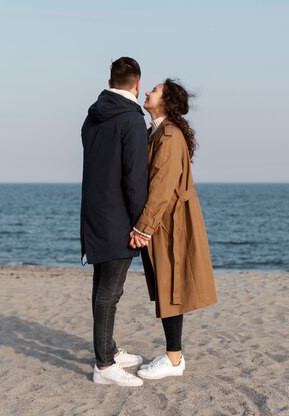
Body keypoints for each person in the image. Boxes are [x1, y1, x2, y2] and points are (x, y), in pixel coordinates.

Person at [129, 79, 218, 380]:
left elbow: (162, 188)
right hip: (167, 219)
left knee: (171, 286)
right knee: (168, 286)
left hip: (171, 221)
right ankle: (172, 354)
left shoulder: (168, 136)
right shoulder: (156, 132)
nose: (148, 93)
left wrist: (143, 228)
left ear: (165, 102)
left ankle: (174, 359)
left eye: (155, 91)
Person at [80, 57, 149, 387]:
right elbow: (134, 178)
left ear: (111, 81)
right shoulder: (131, 120)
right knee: (110, 292)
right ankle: (104, 366)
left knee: (101, 288)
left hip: (94, 213)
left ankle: (107, 349)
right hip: (119, 218)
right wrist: (141, 225)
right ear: (137, 83)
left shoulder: (93, 115)